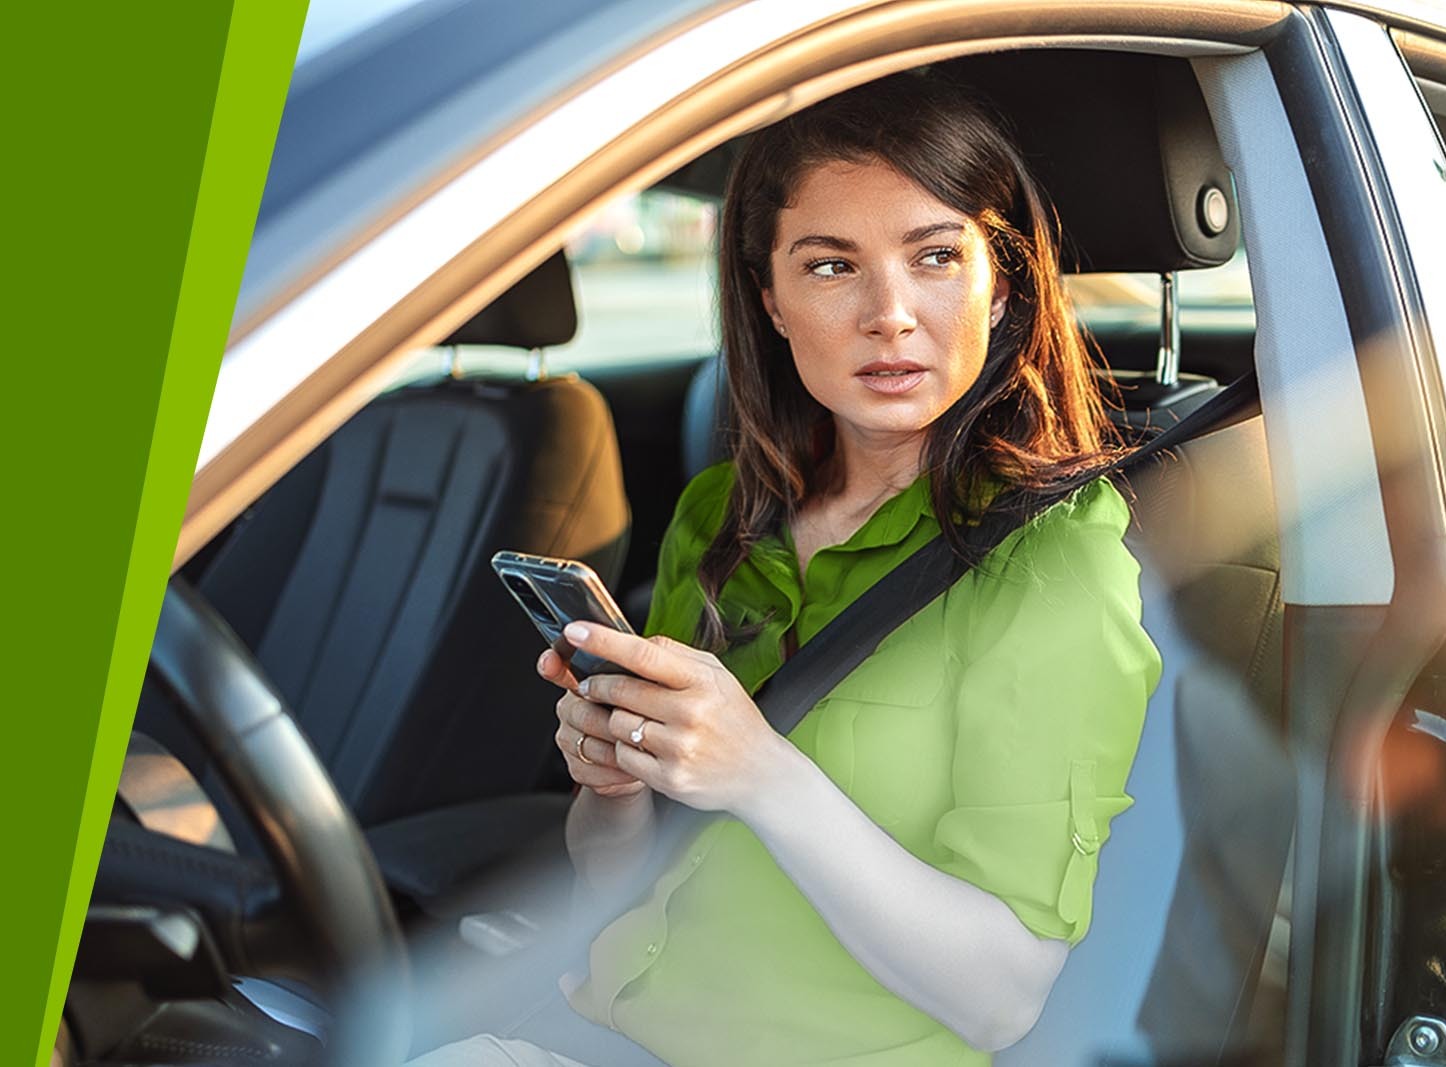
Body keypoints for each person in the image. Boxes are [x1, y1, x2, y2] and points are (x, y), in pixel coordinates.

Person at [415, 69, 1161, 1066]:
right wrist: (613, 782)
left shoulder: (1051, 554)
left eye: (935, 256)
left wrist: (759, 771)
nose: (889, 313)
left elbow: (1001, 997)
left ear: (1001, 284)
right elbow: (611, 879)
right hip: (598, 1025)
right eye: (829, 266)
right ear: (768, 298)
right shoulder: (717, 521)